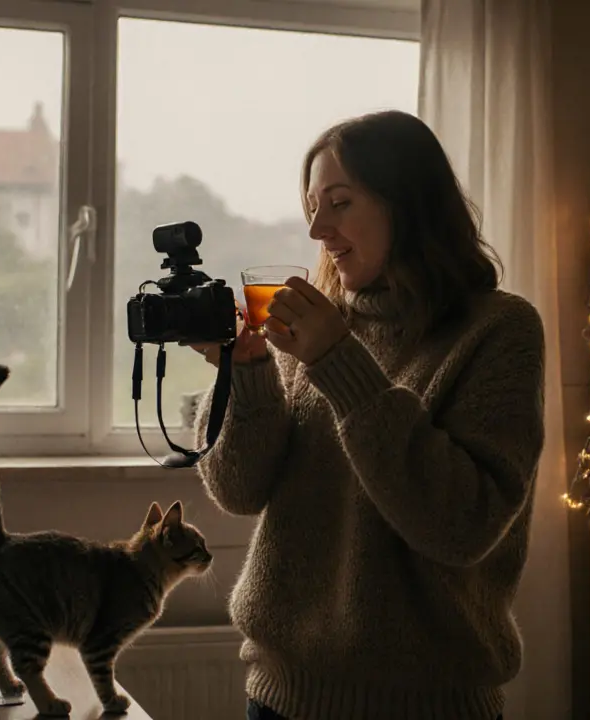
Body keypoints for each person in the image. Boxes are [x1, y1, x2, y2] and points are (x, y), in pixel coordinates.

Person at [188, 110, 546, 720]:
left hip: (430, 708)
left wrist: (338, 363)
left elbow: (463, 526)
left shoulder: (498, 330)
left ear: (407, 203)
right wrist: (245, 371)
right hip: (280, 698)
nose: (317, 228)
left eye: (340, 203)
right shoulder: (320, 322)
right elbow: (238, 489)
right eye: (312, 206)